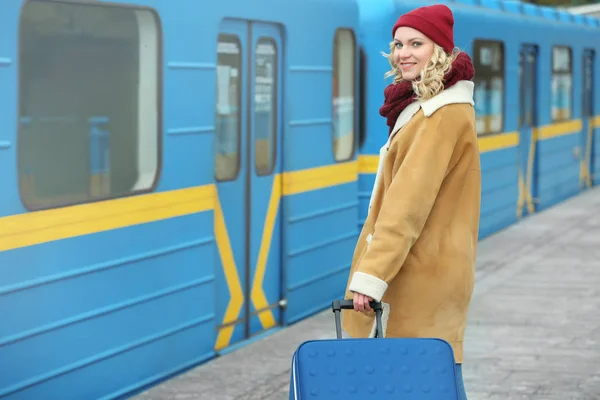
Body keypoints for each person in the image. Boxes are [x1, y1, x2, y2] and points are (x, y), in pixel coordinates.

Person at [341, 4, 480, 399]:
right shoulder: (430, 110)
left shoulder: (439, 116)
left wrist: (371, 277)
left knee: (423, 377)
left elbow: (406, 207)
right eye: (399, 43)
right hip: (433, 266)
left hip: (423, 269)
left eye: (416, 43)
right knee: (431, 373)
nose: (403, 52)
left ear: (440, 50)